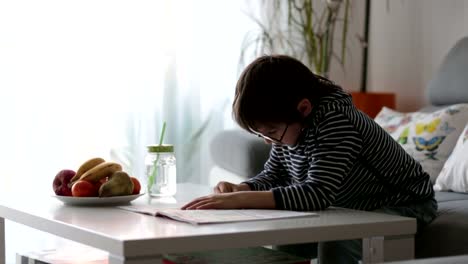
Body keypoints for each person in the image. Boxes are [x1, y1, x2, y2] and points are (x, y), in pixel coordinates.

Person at [181, 55, 437, 263]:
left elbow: (317, 194)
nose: (268, 141)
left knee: (338, 242)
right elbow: (275, 174)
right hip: (355, 205)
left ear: (303, 108)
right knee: (286, 237)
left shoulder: (338, 122)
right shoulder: (290, 126)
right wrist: (242, 187)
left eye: (270, 132)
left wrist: (240, 200)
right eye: (261, 134)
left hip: (406, 203)